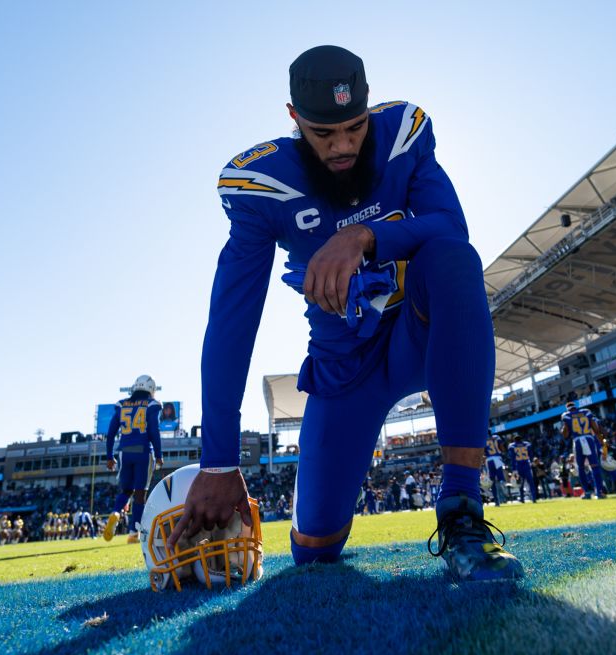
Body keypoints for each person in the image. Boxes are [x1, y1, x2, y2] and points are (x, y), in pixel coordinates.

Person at [177, 46, 520, 581]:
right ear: (294, 119)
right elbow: (232, 318)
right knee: (314, 550)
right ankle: (319, 523)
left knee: (453, 261)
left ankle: (461, 510)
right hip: (344, 366)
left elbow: (452, 230)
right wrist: (219, 460)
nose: (343, 146)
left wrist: (364, 236)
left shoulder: (402, 132)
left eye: (355, 128)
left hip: (419, 335)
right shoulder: (263, 183)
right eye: (323, 133)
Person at [103, 374, 164, 542]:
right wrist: (159, 454)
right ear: (151, 389)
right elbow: (153, 431)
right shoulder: (152, 405)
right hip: (143, 451)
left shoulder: (122, 404)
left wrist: (109, 456)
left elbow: (111, 433)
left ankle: (116, 511)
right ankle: (133, 533)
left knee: (126, 491)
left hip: (124, 451)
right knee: (139, 494)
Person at [563, 396, 607, 499]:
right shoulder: (586, 412)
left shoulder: (566, 415)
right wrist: (602, 442)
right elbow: (595, 429)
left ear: (567, 408)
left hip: (578, 440)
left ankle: (587, 492)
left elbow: (565, 435)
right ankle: (599, 492)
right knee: (595, 466)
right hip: (589, 439)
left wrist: (564, 426)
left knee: (581, 468)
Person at [507, 434, 537, 503]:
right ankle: (534, 498)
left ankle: (522, 499)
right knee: (531, 483)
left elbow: (512, 458)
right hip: (526, 465)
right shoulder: (527, 444)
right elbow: (531, 455)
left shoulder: (512, 446)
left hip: (518, 466)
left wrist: (514, 469)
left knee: (520, 483)